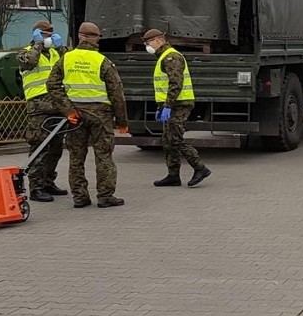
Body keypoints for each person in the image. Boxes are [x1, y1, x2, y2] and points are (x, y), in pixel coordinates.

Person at [46, 21, 129, 208]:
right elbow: (117, 93)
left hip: (76, 116)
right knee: (104, 156)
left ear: (79, 37)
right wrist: (122, 120)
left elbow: (52, 85)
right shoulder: (102, 61)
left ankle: (80, 197)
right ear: (96, 39)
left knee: (76, 157)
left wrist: (67, 110)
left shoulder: (65, 59)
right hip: (101, 116)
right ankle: (105, 196)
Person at [142, 28, 211, 188]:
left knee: (175, 139)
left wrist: (167, 105)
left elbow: (175, 84)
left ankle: (200, 168)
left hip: (179, 104)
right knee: (167, 141)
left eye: (148, 42)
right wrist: (161, 107)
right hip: (171, 104)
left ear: (158, 40)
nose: (147, 46)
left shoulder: (171, 57)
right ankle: (173, 176)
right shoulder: (163, 57)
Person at [16, 19, 68, 203]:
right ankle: (36, 187)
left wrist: (61, 47)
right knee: (39, 147)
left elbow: (69, 63)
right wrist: (38, 44)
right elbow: (30, 62)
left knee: (55, 148)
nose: (48, 37)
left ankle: (48, 182)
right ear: (36, 35)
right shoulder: (25, 52)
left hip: (56, 105)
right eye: (45, 34)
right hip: (38, 107)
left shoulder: (55, 53)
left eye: (50, 34)